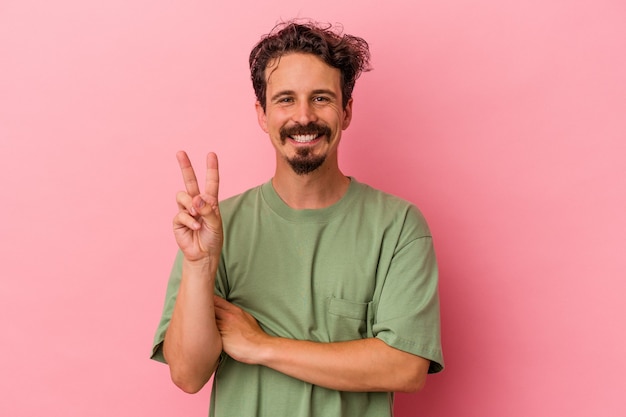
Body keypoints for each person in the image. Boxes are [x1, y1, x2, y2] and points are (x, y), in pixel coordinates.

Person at [151, 19, 444, 417]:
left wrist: (260, 345)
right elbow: (187, 374)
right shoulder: (216, 228)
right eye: (286, 99)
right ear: (262, 113)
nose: (303, 116)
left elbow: (406, 367)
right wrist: (200, 265)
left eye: (321, 98)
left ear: (347, 110)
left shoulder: (399, 227)